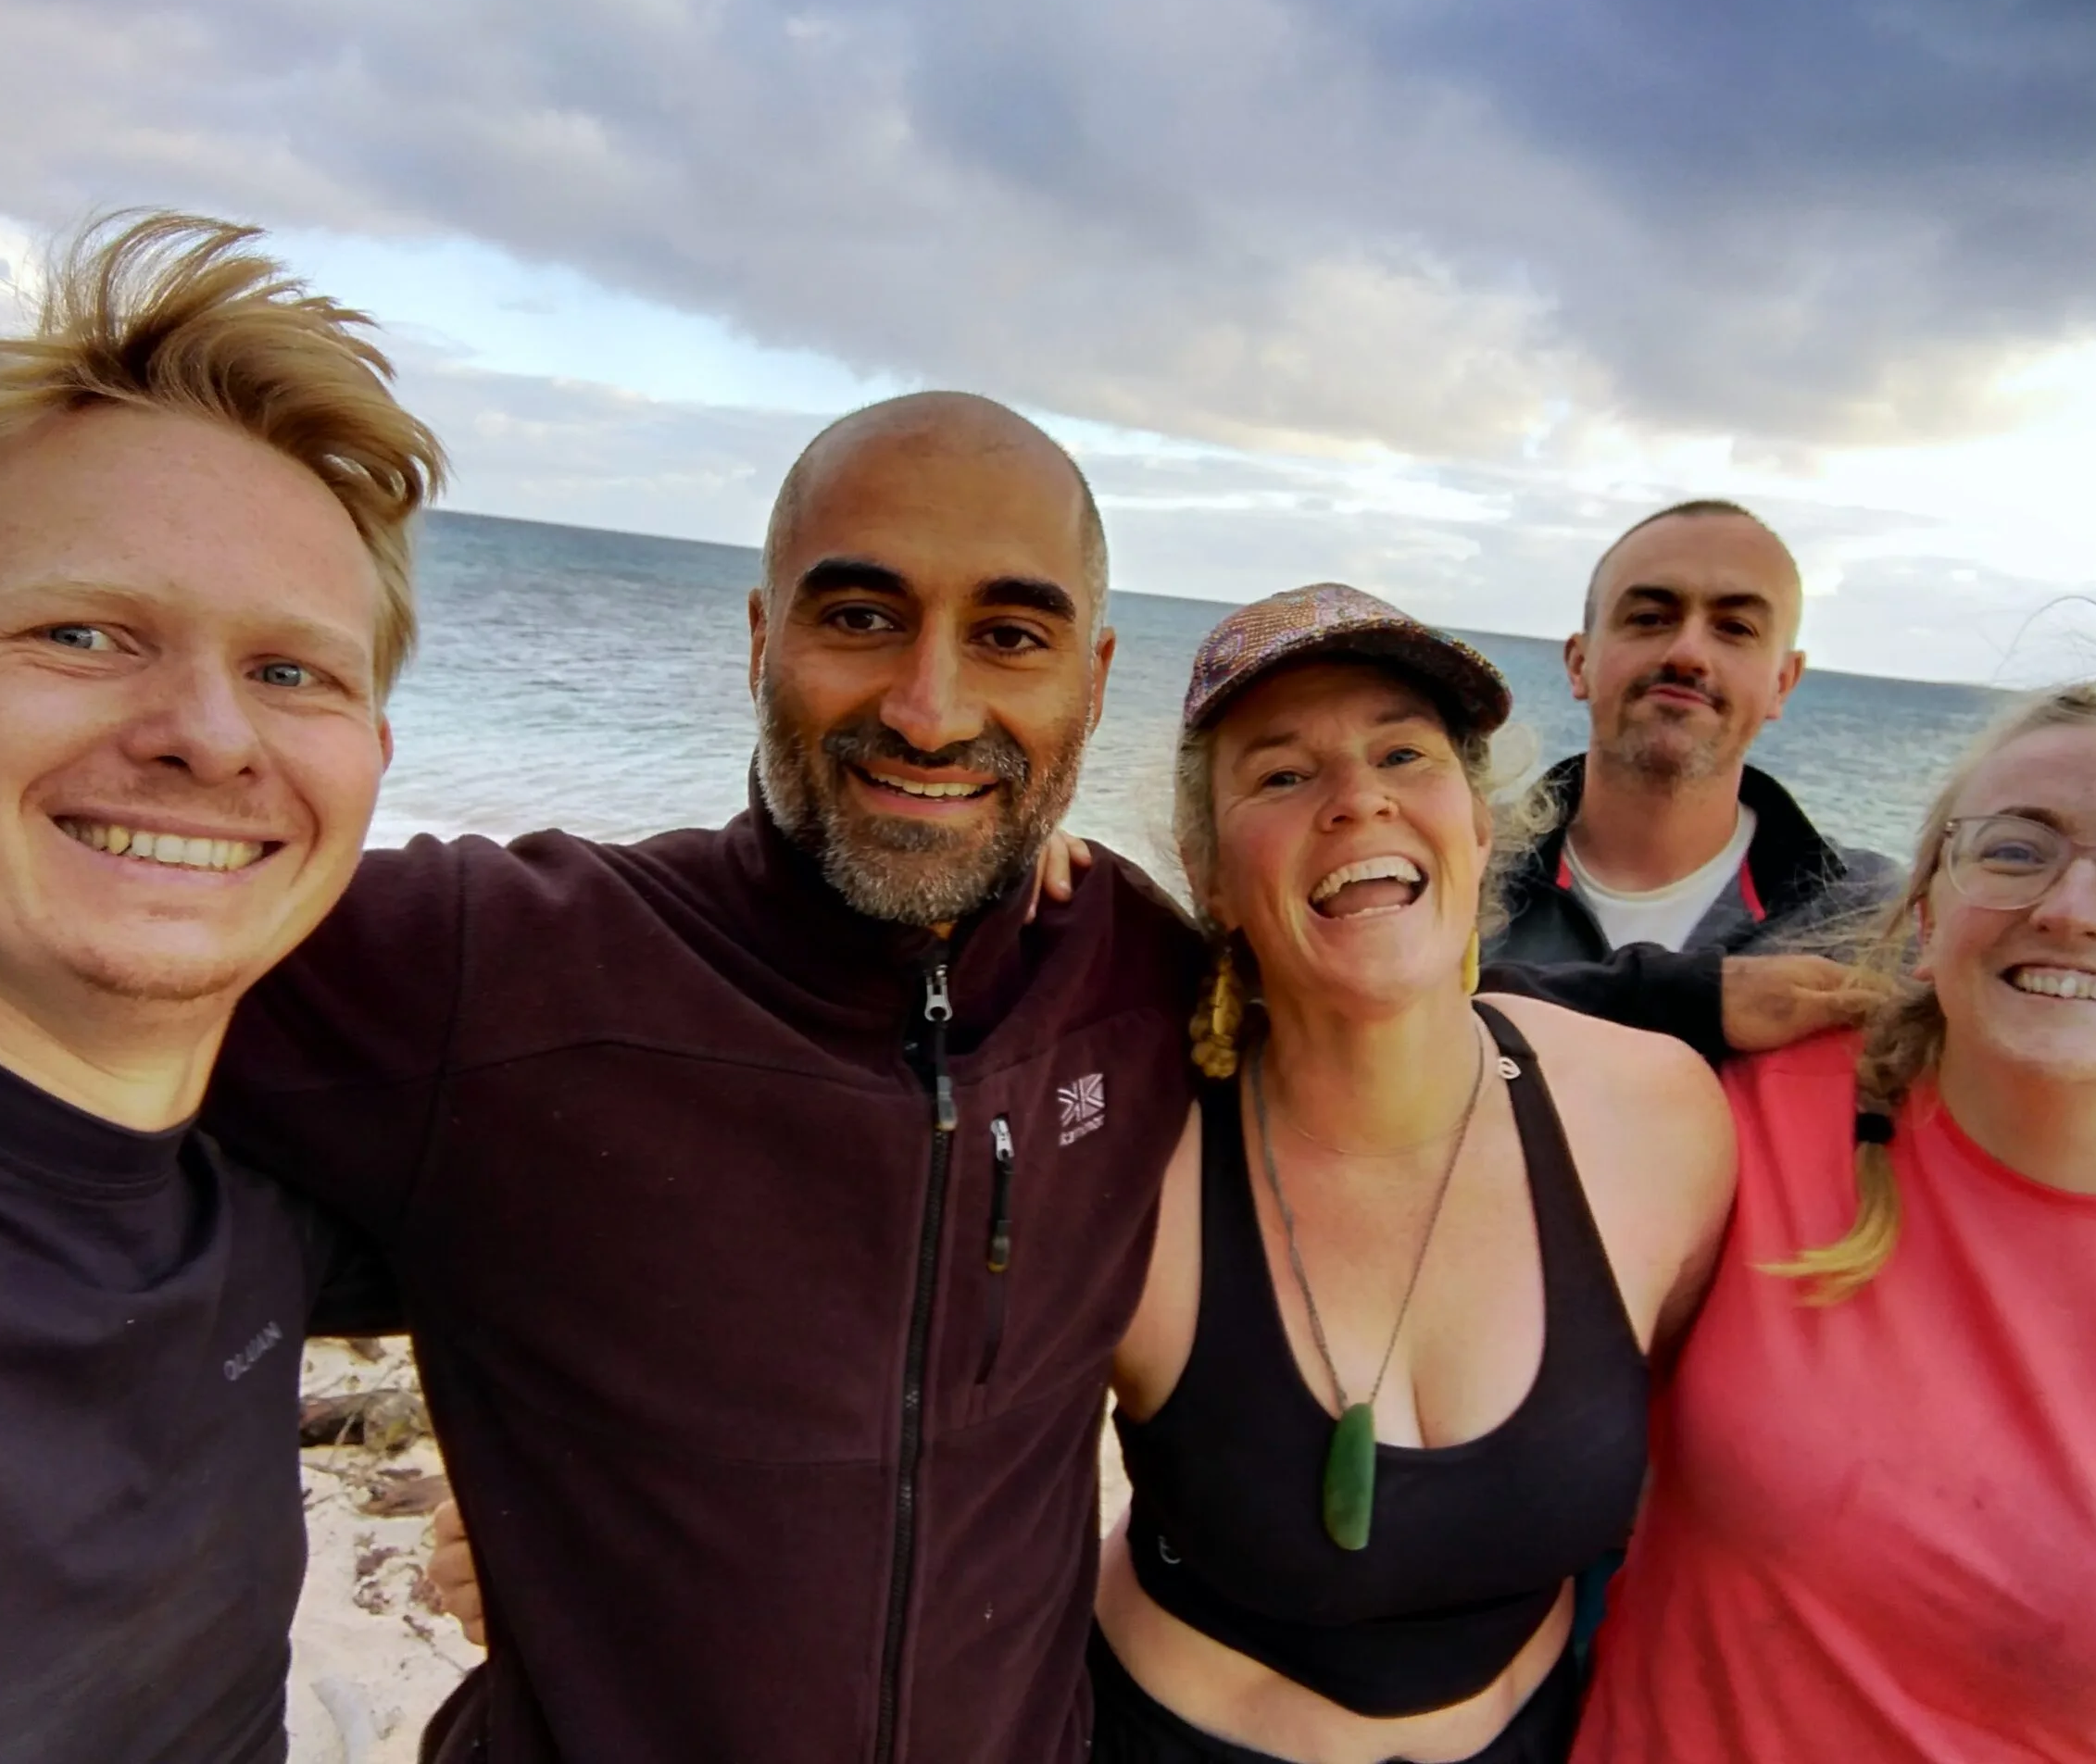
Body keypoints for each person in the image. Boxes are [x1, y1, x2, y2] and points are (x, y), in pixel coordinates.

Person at [209, 392, 1858, 1763]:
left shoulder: (1115, 980)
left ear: (1086, 681)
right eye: (861, 617)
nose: (932, 707)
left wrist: (1698, 991)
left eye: (1008, 635)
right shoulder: (507, 961)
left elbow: (1385, 988)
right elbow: (70, 1010)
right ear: (760, 634)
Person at [0, 213, 436, 1762]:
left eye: (294, 673)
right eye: (83, 633)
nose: (210, 736)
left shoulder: (264, 1203)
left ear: (369, 761)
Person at [1575, 685, 2096, 1762]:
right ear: (1924, 912)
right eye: (2013, 850)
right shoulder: (1742, 1120)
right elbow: (1394, 1034)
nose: (2071, 909)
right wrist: (1678, 991)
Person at [1089, 585, 1736, 1763]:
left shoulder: (1658, 1121)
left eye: (1404, 753)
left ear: (1481, 825)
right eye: (1281, 775)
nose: (1360, 799)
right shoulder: (1133, 1165)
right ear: (1208, 871)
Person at [1487, 499, 1893, 968]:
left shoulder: (1869, 917)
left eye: (1735, 628)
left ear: (1782, 683)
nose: (1687, 653)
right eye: (1649, 618)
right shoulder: (1464, 870)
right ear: (1581, 664)